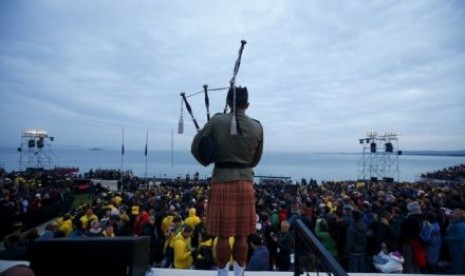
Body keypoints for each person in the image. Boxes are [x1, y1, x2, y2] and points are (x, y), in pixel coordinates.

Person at [191, 86, 264, 276]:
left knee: (222, 236)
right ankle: (239, 274)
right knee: (242, 235)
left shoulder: (216, 120)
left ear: (227, 103)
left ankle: (223, 275)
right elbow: (255, 160)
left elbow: (196, 147)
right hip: (245, 182)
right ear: (246, 105)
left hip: (221, 180)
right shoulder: (257, 126)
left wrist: (207, 157)